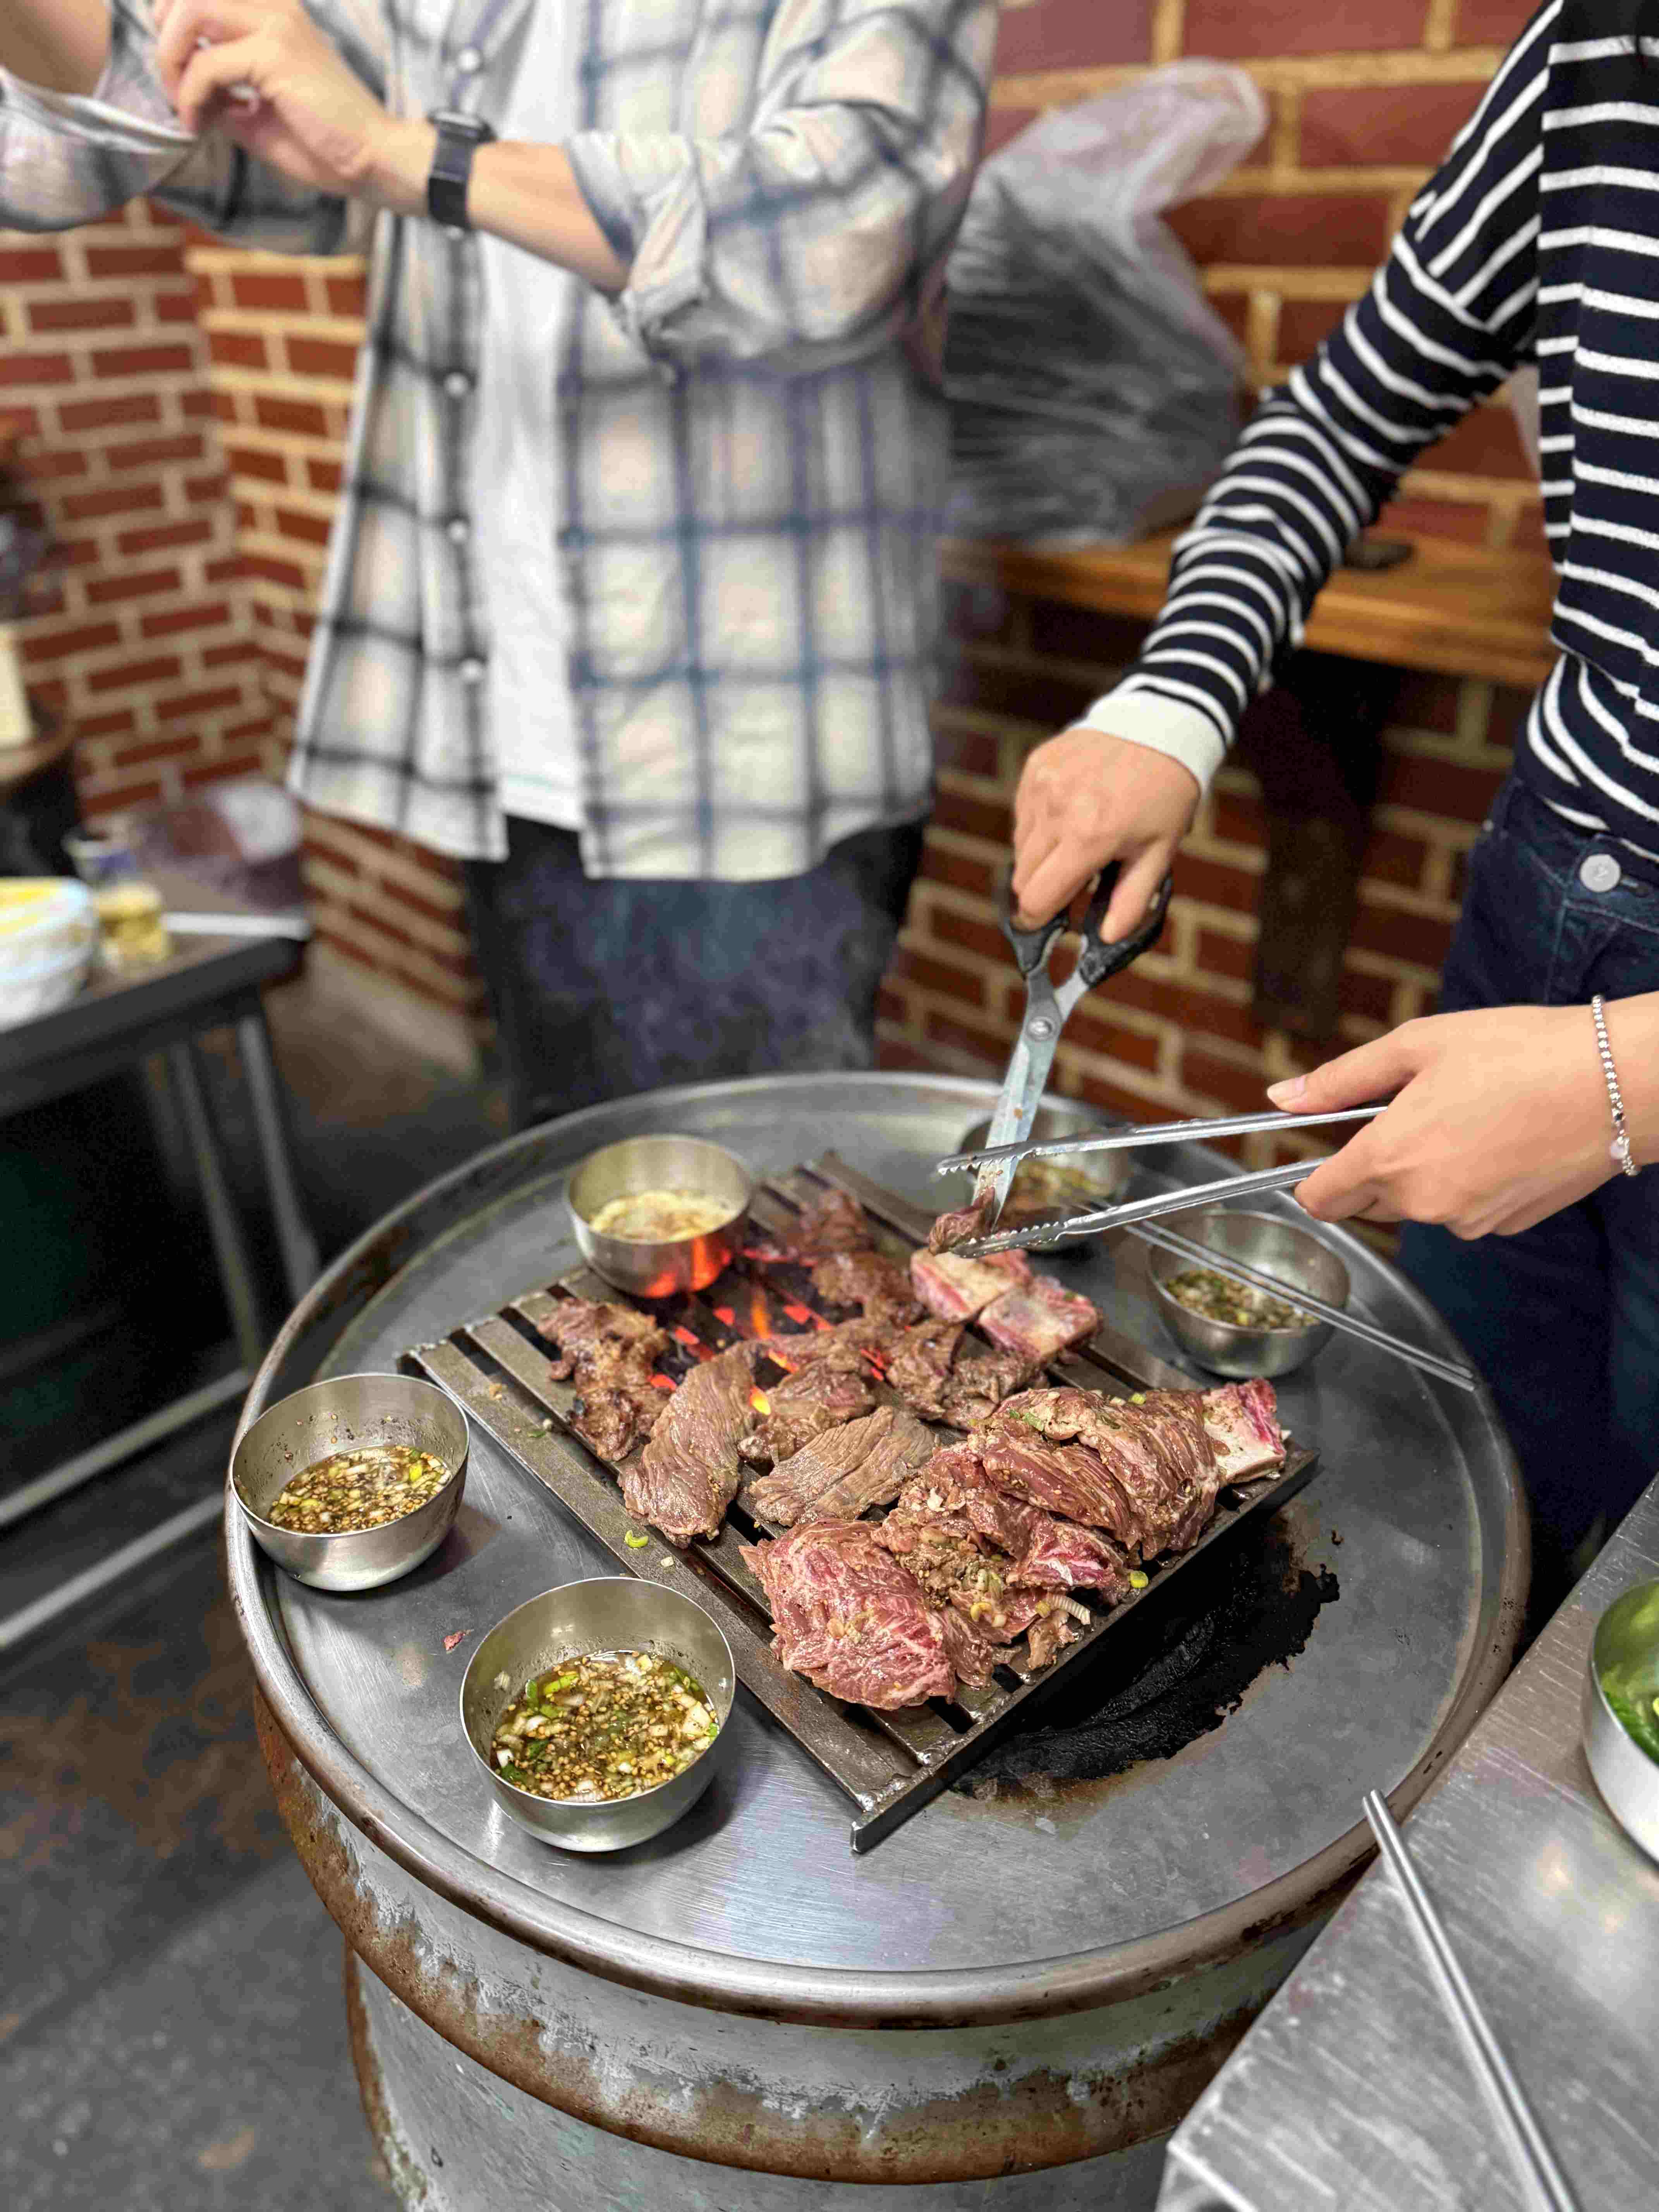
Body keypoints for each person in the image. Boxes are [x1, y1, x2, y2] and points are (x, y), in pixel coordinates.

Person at [0, 0, 997, 1128]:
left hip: (746, 751)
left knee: (773, 1222)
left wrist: (400, 151)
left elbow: (848, 230)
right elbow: (151, 127)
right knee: (575, 1196)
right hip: (512, 746)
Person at [1010, 0, 1659, 1602]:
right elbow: (1339, 414)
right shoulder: (1600, 52)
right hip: (1544, 908)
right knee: (1469, 1488)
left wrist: (1632, 1073)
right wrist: (1171, 699)